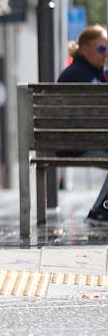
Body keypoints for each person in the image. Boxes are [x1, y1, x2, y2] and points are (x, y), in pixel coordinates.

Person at [56, 24, 108, 225]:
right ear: (85, 49)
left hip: (77, 142)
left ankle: (99, 211)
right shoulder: (81, 75)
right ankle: (100, 212)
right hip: (77, 144)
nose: (105, 54)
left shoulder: (87, 72)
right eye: (101, 48)